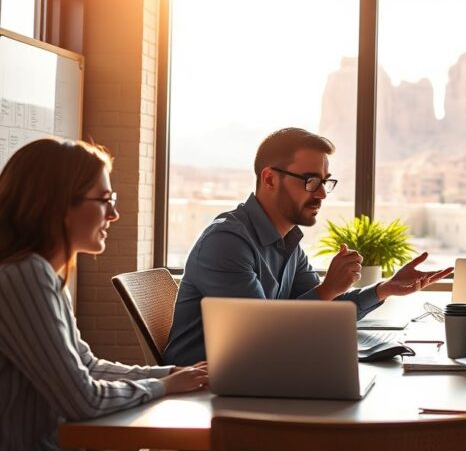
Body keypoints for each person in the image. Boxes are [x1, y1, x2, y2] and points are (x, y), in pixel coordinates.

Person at [0, 139, 209, 451]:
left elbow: (86, 365)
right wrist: (162, 386)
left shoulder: (40, 275)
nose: (114, 214)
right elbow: (83, 400)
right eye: (105, 200)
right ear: (57, 206)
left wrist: (170, 373)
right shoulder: (26, 276)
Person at [165, 128, 451, 366]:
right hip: (204, 391)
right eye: (311, 181)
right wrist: (328, 287)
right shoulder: (226, 242)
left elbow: (321, 314)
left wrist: (383, 289)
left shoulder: (288, 242)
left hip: (260, 377)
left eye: (326, 182)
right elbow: (259, 336)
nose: (322, 194)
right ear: (269, 179)